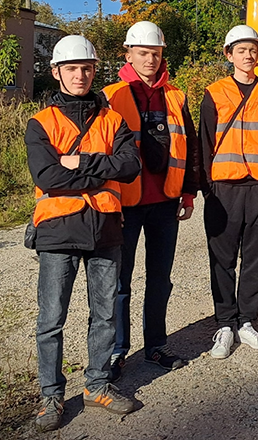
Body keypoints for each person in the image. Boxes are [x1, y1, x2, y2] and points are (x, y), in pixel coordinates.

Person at [25, 35, 141, 432]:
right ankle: (51, 396)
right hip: (58, 231)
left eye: (86, 68)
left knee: (105, 314)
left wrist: (81, 161)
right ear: (56, 72)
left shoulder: (112, 119)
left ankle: (97, 385)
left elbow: (129, 167)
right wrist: (100, 167)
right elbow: (47, 175)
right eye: (72, 68)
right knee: (51, 319)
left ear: (95, 70)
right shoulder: (41, 123)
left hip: (106, 229)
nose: (80, 75)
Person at [103, 21, 199, 378]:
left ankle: (156, 346)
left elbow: (189, 147)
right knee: (119, 281)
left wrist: (188, 191)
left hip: (165, 202)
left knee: (160, 278)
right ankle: (117, 351)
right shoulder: (110, 96)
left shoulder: (176, 96)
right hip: (125, 204)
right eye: (143, 53)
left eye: (155, 54)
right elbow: (101, 150)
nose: (150, 60)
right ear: (128, 54)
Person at [200, 25, 258, 358]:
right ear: (229, 55)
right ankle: (225, 324)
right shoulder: (215, 92)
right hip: (224, 188)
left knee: (254, 261)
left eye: (253, 50)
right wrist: (208, 189)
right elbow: (204, 143)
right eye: (241, 50)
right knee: (222, 261)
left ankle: (247, 322)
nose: (248, 56)